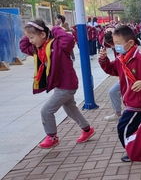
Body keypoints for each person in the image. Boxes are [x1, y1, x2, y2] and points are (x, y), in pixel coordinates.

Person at [20, 19, 95, 149]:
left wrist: (54, 28)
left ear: (43, 35)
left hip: (67, 85)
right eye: (29, 38)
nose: (30, 40)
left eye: (32, 37)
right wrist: (28, 32)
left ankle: (52, 136)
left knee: (46, 111)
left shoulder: (57, 45)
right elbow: (23, 47)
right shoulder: (38, 48)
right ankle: (88, 130)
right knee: (70, 109)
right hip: (60, 85)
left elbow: (69, 40)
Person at [98, 25, 141, 162]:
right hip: (129, 101)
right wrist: (103, 60)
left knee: (123, 127)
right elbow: (111, 70)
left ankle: (132, 151)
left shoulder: (140, 59)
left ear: (130, 43)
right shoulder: (122, 59)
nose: (115, 47)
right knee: (135, 128)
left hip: (137, 103)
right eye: (113, 44)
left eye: (117, 43)